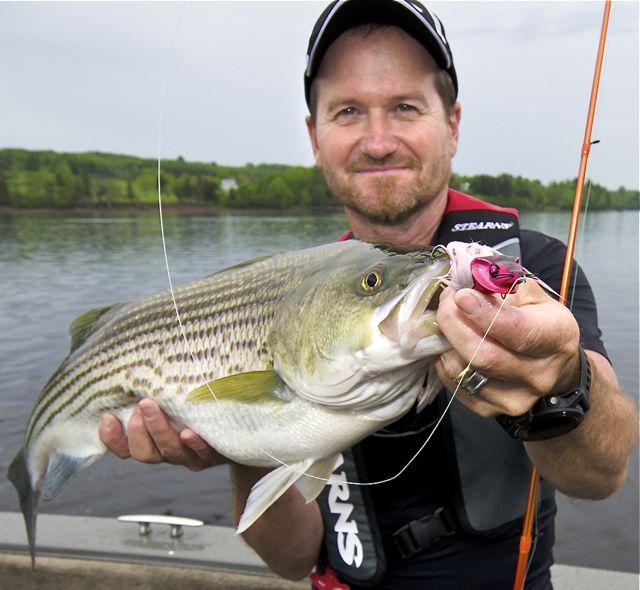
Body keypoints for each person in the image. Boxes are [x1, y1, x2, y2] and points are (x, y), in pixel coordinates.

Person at [99, 1, 638, 588]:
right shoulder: (286, 296)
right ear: (314, 135)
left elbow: (603, 474)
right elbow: (290, 560)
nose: (378, 142)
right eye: (348, 111)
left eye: (405, 107)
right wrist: (241, 441)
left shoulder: (529, 267)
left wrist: (561, 384)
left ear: (452, 124)